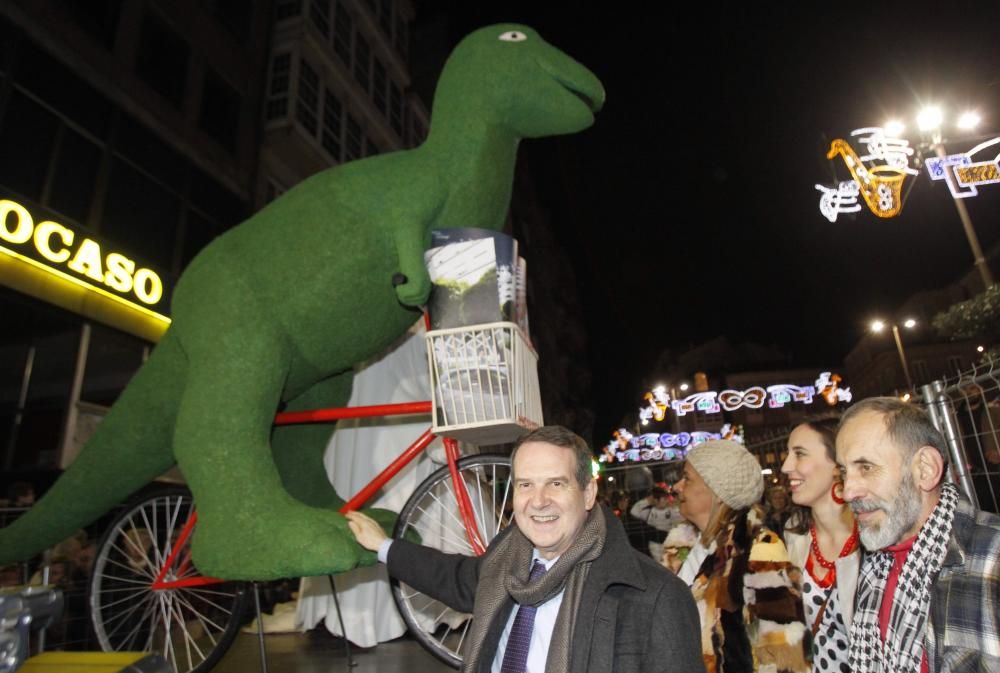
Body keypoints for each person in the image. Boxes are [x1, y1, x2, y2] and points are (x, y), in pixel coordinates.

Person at [347, 425, 705, 673]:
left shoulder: (656, 597)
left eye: (556, 483)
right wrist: (383, 546)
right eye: (525, 485)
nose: (538, 501)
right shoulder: (506, 561)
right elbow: (455, 578)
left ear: (588, 494)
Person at [836, 397, 1000, 673]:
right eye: (843, 472)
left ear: (925, 468)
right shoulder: (874, 566)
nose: (848, 491)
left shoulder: (992, 557)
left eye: (866, 467)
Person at [672, 439, 808, 673]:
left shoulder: (758, 549)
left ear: (718, 491)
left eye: (687, 478)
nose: (677, 486)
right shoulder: (698, 545)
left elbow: (783, 653)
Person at [780, 417, 859, 672]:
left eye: (799, 454)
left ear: (838, 464)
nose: (785, 466)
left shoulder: (876, 536)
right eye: (787, 454)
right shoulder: (795, 535)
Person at [630, 485, 684, 559]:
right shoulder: (649, 511)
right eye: (664, 499)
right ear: (656, 500)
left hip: (668, 541)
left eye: (666, 498)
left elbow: (682, 518)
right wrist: (648, 500)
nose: (667, 501)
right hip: (655, 544)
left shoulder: (671, 511)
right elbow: (634, 512)